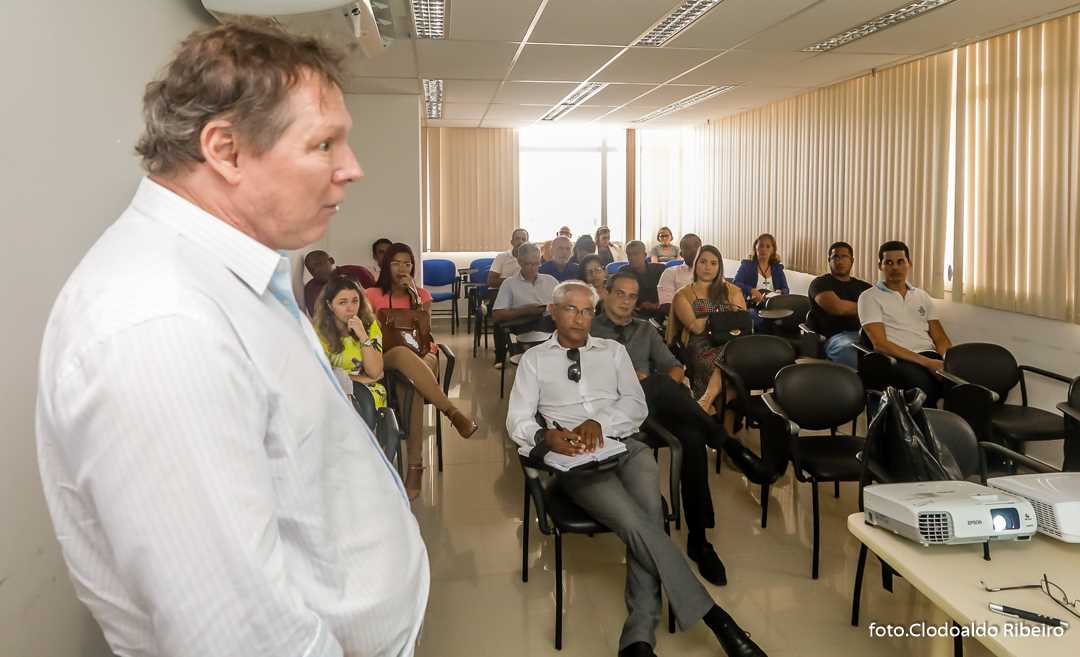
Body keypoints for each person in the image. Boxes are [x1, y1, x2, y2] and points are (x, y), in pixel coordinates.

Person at [36, 23, 427, 657]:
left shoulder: (235, 272)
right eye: (324, 144)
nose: (351, 169)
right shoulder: (161, 327)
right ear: (227, 150)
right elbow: (237, 638)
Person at [506, 281, 767, 657]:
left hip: (626, 448)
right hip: (577, 460)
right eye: (569, 309)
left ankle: (638, 639)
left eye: (585, 310)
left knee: (646, 520)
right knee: (637, 523)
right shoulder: (534, 360)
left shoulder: (612, 352)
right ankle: (712, 621)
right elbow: (517, 420)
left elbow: (635, 405)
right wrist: (545, 438)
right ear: (553, 310)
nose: (578, 318)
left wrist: (602, 424)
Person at [592, 271, 728, 586]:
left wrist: (667, 382)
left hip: (653, 402)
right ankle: (721, 437)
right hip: (612, 410)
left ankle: (699, 539)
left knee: (691, 436)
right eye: (620, 294)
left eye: (632, 296)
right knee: (664, 398)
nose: (626, 301)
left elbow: (675, 367)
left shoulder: (644, 330)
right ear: (606, 293)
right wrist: (633, 381)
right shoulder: (590, 328)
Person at [367, 242, 479, 499]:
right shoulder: (370, 294)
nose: (402, 268)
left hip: (424, 354)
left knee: (412, 384)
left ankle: (415, 467)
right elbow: (370, 334)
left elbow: (423, 331)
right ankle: (452, 413)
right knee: (405, 360)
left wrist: (415, 299)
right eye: (396, 263)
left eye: (407, 263)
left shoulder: (423, 294)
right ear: (386, 266)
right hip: (389, 355)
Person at [858, 240, 953, 407]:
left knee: (966, 388)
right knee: (924, 391)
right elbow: (880, 344)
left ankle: (957, 431)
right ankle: (920, 432)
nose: (895, 267)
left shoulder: (921, 296)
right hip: (896, 359)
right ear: (880, 266)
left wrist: (948, 361)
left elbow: (940, 337)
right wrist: (928, 363)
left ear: (909, 264)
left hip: (929, 356)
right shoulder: (869, 297)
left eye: (900, 262)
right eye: (889, 262)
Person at [668, 246, 747, 436]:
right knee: (730, 372)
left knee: (735, 361)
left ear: (719, 266)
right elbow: (695, 327)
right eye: (703, 262)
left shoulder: (732, 290)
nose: (708, 267)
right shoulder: (683, 295)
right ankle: (729, 441)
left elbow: (742, 322)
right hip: (701, 344)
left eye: (713, 263)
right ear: (696, 265)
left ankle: (707, 399)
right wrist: (722, 312)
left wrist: (713, 313)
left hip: (731, 341)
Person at [314, 275, 387, 407]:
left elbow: (375, 371)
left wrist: (363, 336)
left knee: (372, 398)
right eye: (342, 302)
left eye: (355, 301)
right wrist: (362, 379)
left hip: (368, 391)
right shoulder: (319, 332)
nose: (350, 308)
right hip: (334, 392)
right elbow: (325, 377)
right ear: (330, 305)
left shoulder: (370, 326)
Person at [807, 241, 872, 369]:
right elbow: (838, 308)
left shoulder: (864, 287)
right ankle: (852, 387)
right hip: (836, 337)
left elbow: (883, 308)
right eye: (835, 257)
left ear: (852, 261)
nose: (839, 261)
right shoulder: (820, 283)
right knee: (848, 349)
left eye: (844, 257)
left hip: (867, 334)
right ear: (829, 260)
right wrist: (869, 309)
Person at [492, 242, 558, 366]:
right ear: (519, 262)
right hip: (525, 326)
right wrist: (526, 310)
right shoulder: (509, 283)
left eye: (536, 264)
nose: (533, 268)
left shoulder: (550, 281)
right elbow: (497, 315)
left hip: (553, 327)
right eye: (528, 264)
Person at [302, 248, 376, 316]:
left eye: (319, 264)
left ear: (331, 261)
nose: (316, 271)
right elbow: (317, 316)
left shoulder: (357, 272)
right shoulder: (311, 289)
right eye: (311, 269)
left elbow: (378, 297)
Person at [734, 233, 790, 306]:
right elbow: (735, 283)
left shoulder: (777, 268)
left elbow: (786, 289)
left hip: (772, 306)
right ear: (755, 248)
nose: (764, 249)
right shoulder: (747, 265)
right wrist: (751, 290)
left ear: (773, 250)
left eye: (768, 246)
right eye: (761, 246)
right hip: (751, 306)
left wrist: (780, 292)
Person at [656, 233, 701, 318]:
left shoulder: (712, 273)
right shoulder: (670, 272)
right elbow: (666, 306)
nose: (693, 250)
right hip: (679, 324)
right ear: (681, 254)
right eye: (687, 247)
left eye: (696, 246)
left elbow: (722, 304)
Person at [620, 240, 666, 319]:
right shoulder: (624, 272)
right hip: (635, 314)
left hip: (660, 311)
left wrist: (656, 305)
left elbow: (668, 294)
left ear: (644, 255)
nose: (632, 258)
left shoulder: (660, 269)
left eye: (636, 254)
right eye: (629, 255)